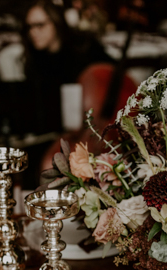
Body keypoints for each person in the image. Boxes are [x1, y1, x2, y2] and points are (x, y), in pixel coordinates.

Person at [21, 0, 113, 188]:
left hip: (91, 129)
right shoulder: (35, 60)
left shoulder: (85, 49)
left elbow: (111, 78)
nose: (33, 32)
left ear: (56, 22)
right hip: (54, 132)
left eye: (40, 25)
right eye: (29, 27)